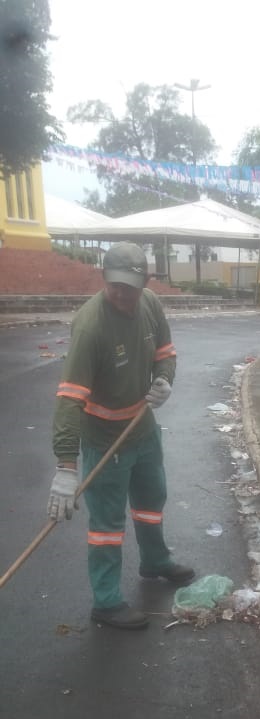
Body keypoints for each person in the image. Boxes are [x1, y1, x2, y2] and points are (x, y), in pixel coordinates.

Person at [47, 241, 194, 630]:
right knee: (107, 526)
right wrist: (65, 467)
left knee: (150, 501)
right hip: (104, 439)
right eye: (115, 285)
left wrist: (164, 378)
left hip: (142, 428)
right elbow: (70, 398)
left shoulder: (150, 306)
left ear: (145, 281)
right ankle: (106, 601)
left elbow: (165, 350)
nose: (122, 294)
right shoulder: (91, 325)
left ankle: (155, 561)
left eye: (130, 286)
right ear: (104, 279)